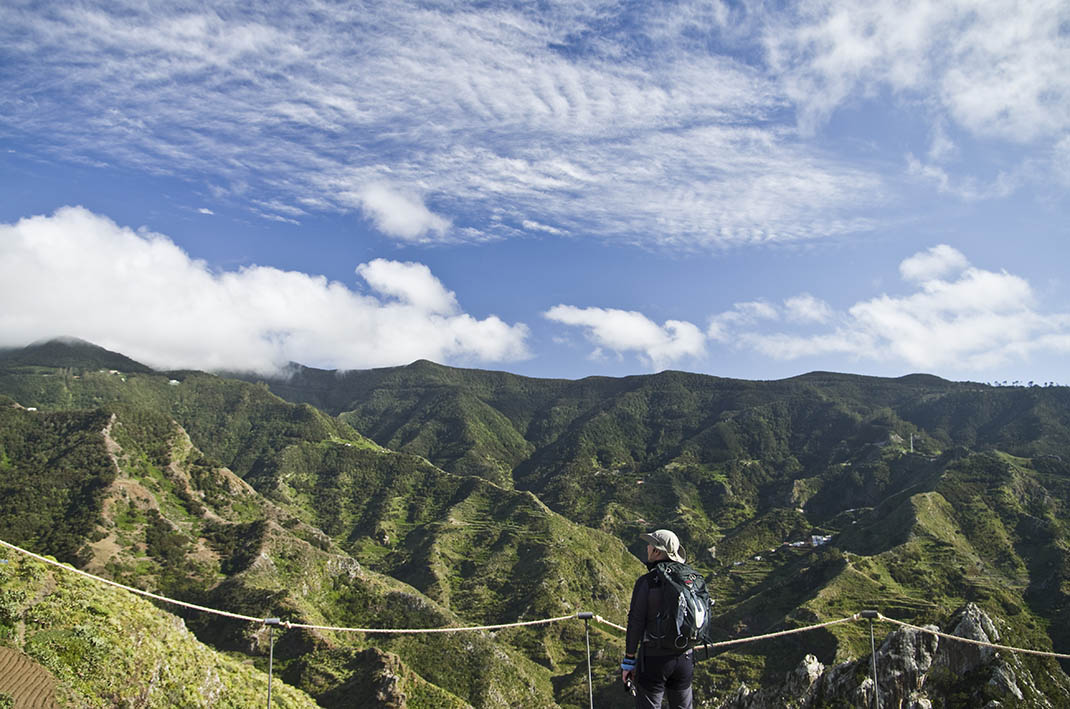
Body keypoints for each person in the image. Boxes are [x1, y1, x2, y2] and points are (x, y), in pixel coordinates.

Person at [620, 529, 694, 709]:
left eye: (650, 544)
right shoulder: (690, 579)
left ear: (657, 551)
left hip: (655, 659)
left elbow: (636, 622)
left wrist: (629, 661)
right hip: (685, 656)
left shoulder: (647, 582)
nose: (647, 547)